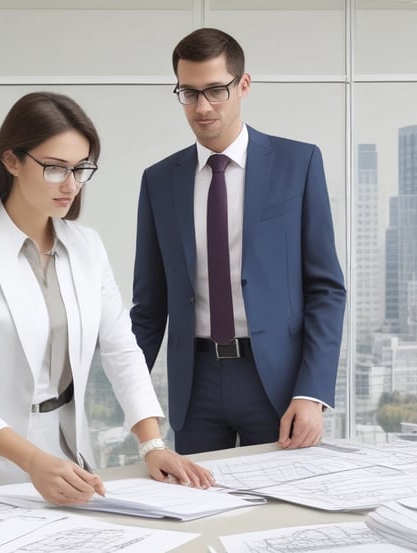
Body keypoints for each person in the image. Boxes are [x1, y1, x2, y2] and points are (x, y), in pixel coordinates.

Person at [0, 92, 213, 506]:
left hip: (73, 458)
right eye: (55, 168)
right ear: (12, 161)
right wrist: (34, 462)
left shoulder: (87, 246)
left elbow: (122, 350)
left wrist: (153, 445)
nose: (71, 185)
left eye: (81, 168)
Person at [131, 28, 346, 455]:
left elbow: (326, 288)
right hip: (195, 385)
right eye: (189, 93)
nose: (202, 106)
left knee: (280, 511)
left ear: (243, 85)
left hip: (277, 383)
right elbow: (150, 307)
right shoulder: (159, 181)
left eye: (215, 90)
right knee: (194, 507)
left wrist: (312, 392)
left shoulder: (297, 164)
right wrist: (131, 397)